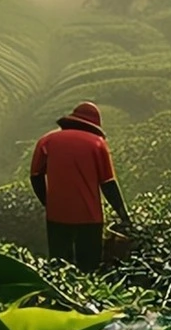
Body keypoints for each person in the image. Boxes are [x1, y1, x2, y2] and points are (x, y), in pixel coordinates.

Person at [29, 102, 132, 272]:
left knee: (58, 266)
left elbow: (36, 177)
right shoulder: (97, 144)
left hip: (57, 216)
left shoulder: (46, 141)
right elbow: (108, 184)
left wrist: (48, 203)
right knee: (89, 268)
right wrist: (124, 216)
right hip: (90, 218)